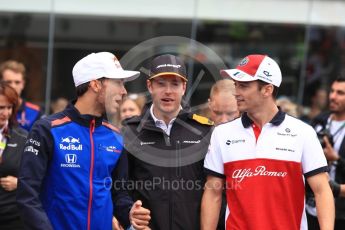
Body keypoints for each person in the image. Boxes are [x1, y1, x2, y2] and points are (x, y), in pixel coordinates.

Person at [17, 52, 151, 230]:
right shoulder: (47, 129)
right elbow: (27, 196)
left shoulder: (116, 137)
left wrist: (130, 214)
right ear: (95, 84)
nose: (124, 92)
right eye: (118, 83)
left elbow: (119, 194)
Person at [201, 54, 334, 230]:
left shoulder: (303, 133)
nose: (236, 92)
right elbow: (213, 193)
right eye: (236, 85)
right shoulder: (221, 134)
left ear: (267, 90)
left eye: (244, 86)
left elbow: (322, 191)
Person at [122, 54, 213, 229]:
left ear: (184, 87)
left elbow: (216, 191)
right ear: (150, 86)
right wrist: (128, 215)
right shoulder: (130, 132)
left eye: (175, 84)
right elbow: (119, 188)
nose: (168, 91)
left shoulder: (205, 131)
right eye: (161, 84)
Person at [306, 76, 345, 230]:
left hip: (340, 214)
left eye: (340, 93)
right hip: (310, 209)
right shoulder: (319, 121)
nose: (333, 96)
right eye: (332, 91)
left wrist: (336, 159)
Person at [0, 82, 27, 230]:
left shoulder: (22, 137)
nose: (5, 113)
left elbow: (39, 176)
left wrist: (19, 183)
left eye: (9, 108)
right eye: (1, 108)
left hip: (12, 218)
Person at [0, 60, 42, 131]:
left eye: (17, 82)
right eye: (8, 82)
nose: (13, 86)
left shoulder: (35, 112)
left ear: (23, 84)